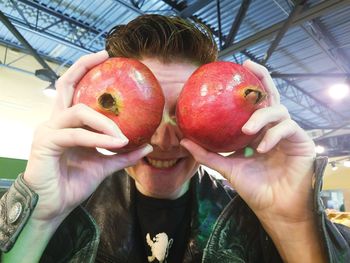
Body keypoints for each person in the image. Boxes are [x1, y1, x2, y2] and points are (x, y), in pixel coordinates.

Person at [0, 14, 349, 263]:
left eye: (183, 112)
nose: (165, 138)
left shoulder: (257, 220)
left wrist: (296, 223)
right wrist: (39, 217)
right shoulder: (64, 212)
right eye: (148, 112)